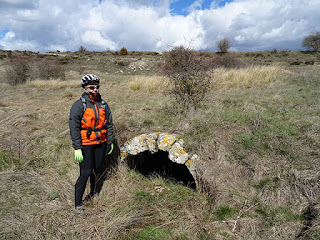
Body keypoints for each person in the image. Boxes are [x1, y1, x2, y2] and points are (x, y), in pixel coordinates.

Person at [69, 74, 114, 215]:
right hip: (86, 144)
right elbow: (74, 127)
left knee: (98, 170)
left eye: (97, 87)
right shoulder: (79, 105)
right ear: (85, 88)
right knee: (85, 173)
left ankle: (94, 194)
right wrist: (77, 148)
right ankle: (78, 204)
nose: (95, 90)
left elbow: (110, 124)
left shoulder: (103, 104)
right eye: (91, 87)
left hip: (101, 142)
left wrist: (110, 142)